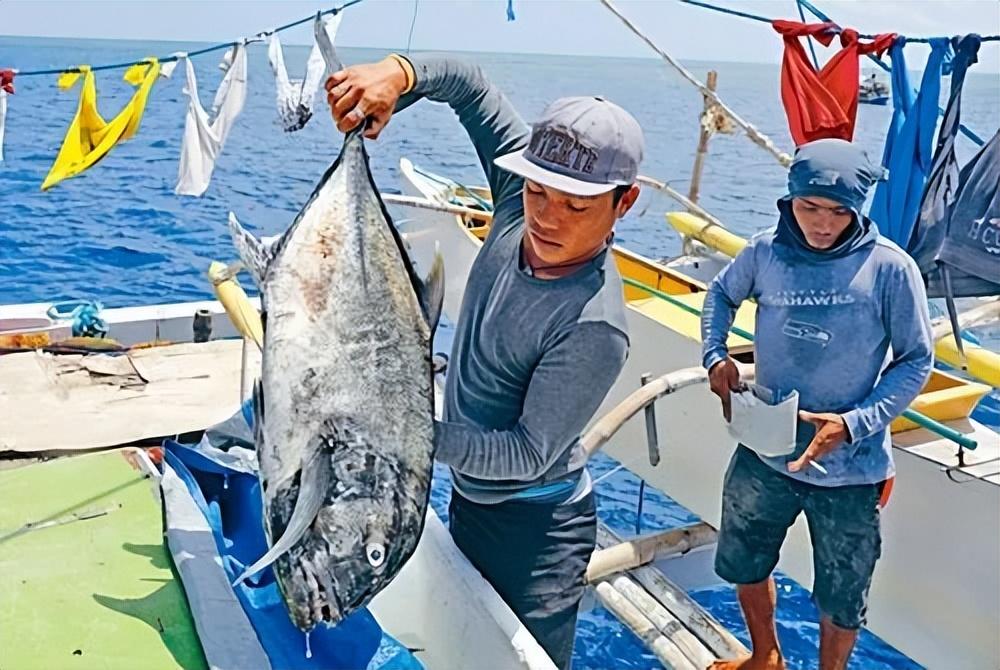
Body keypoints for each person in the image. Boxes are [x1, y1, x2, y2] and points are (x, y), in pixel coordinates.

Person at [325, 54, 643, 669]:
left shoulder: (593, 325)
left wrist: (406, 437)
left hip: (538, 535)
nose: (546, 218)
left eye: (577, 207)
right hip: (471, 500)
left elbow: (525, 453)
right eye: (537, 191)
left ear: (622, 204)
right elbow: (469, 86)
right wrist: (397, 75)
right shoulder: (515, 206)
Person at [700, 138, 934, 670]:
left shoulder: (890, 269)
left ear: (858, 209)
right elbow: (720, 293)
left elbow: (917, 359)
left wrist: (855, 424)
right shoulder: (764, 252)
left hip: (849, 470)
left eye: (837, 211)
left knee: (842, 596)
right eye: (809, 208)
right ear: (789, 201)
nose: (822, 223)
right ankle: (766, 656)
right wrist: (716, 356)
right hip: (765, 453)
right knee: (744, 560)